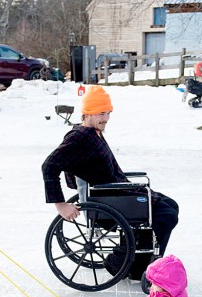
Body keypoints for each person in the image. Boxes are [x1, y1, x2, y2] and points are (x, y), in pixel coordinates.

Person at [41, 85, 179, 278]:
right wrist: (61, 205)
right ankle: (132, 265)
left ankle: (136, 259)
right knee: (167, 215)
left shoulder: (93, 132)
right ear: (87, 113)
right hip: (109, 199)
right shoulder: (80, 137)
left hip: (117, 192)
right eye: (100, 113)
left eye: (107, 113)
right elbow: (49, 166)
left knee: (171, 206)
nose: (105, 118)